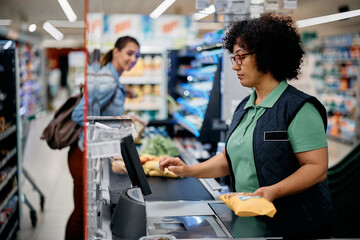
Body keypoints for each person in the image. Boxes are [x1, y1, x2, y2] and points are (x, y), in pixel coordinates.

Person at [159, 13, 334, 238]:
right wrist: (189, 170)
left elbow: (316, 168)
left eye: (241, 56)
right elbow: (229, 158)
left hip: (294, 226)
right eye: (234, 57)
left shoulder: (299, 108)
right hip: (251, 222)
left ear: (266, 56)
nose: (235, 66)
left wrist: (273, 191)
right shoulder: (245, 106)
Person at [66, 36, 140, 240]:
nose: (133, 59)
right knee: (81, 214)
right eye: (129, 53)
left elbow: (100, 108)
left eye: (137, 56)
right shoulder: (108, 81)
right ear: (116, 51)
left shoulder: (111, 77)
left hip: (90, 153)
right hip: (83, 154)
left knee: (85, 213)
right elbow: (79, 115)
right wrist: (119, 122)